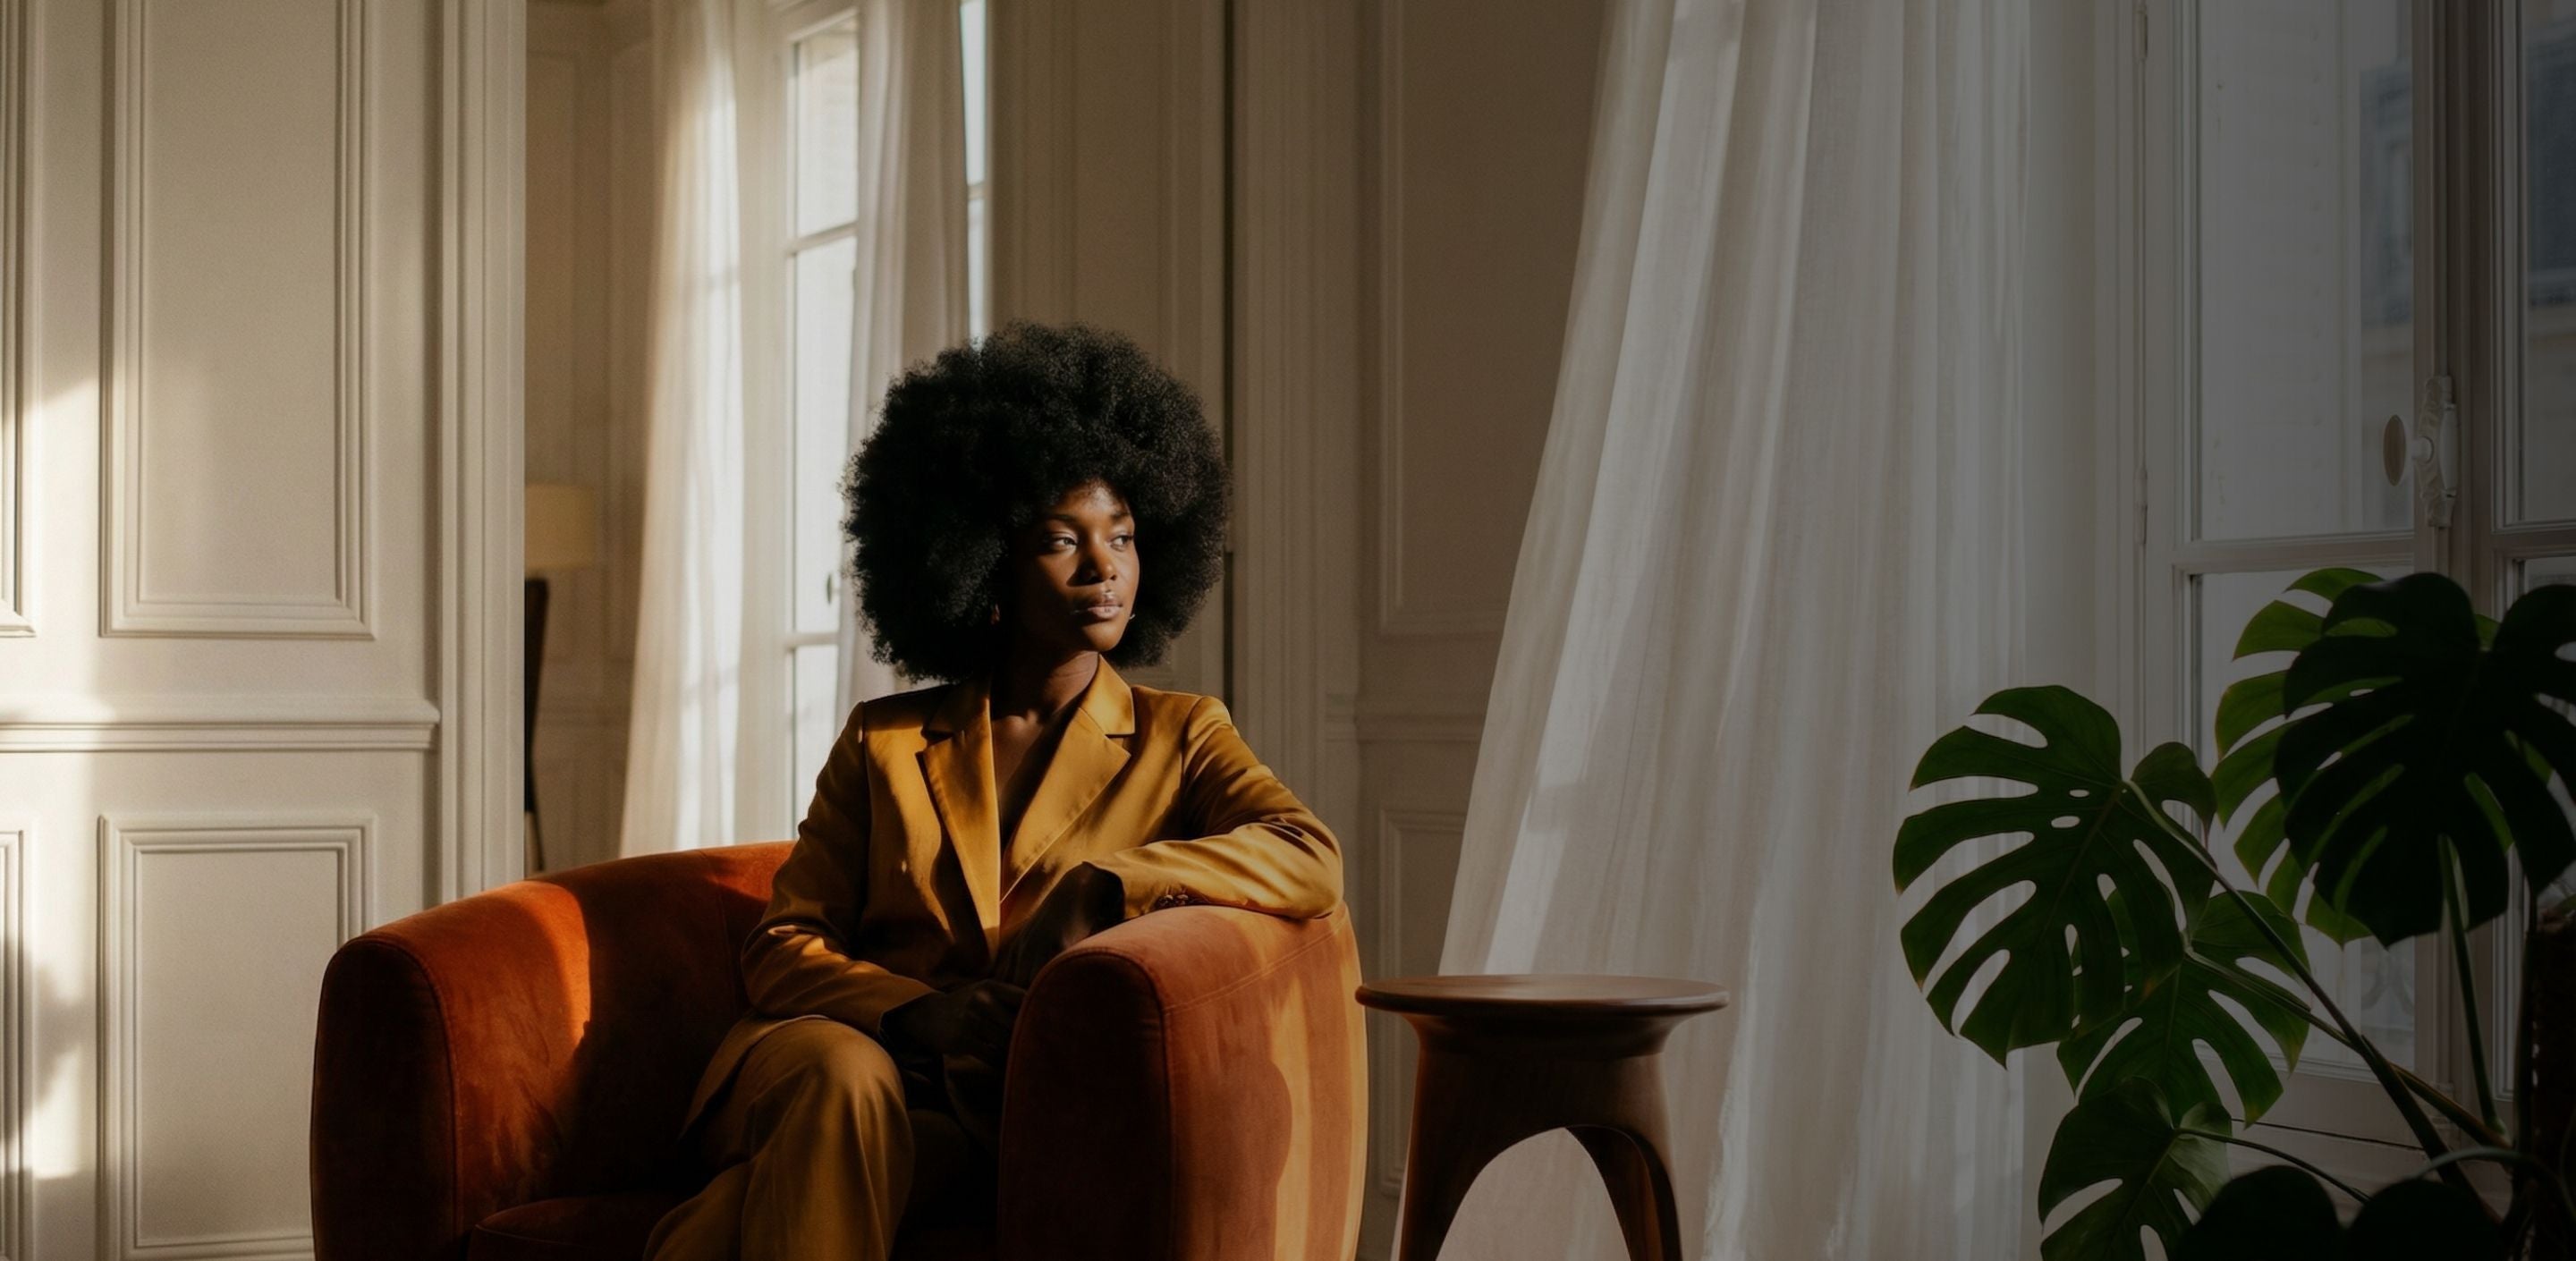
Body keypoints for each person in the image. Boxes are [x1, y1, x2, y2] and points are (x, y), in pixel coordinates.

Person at [645, 321, 1344, 1261]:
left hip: (982, 1120)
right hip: (830, 1057)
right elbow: (782, 947)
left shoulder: (1184, 736)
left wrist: (1108, 883)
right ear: (985, 565)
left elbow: (1310, 858)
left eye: (1125, 539)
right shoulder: (883, 741)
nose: (1104, 569)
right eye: (1064, 541)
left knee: (734, 1226)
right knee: (846, 1084)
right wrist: (919, 1010)